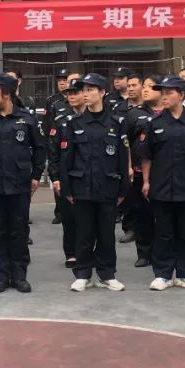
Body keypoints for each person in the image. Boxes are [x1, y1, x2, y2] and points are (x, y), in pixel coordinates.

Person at [0, 73, 46, 294]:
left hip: (19, 183)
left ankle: (19, 275)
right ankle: (1, 276)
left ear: (7, 93)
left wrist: (36, 176)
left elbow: (39, 149)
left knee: (19, 231)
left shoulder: (27, 119)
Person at [137, 76, 185, 291]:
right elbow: (147, 156)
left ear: (181, 95)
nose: (164, 96)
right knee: (163, 231)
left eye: (169, 92)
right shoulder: (154, 124)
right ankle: (162, 274)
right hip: (161, 186)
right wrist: (146, 181)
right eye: (162, 92)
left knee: (184, 232)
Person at [60, 74, 129, 292]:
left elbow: (122, 157)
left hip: (108, 186)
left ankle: (107, 274)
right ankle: (83, 273)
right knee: (84, 233)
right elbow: (67, 158)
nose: (85, 94)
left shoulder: (117, 123)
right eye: (84, 90)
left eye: (90, 90)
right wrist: (67, 188)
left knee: (106, 233)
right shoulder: (74, 123)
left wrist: (123, 189)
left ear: (102, 93)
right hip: (82, 187)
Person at [121, 75, 159, 268]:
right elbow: (126, 142)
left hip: (164, 172)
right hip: (139, 172)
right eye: (144, 86)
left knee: (164, 215)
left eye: (151, 87)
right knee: (142, 213)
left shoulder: (170, 112)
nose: (145, 90)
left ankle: (163, 252)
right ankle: (144, 252)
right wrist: (128, 166)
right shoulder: (134, 114)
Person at [47, 78, 84, 267]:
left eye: (75, 92)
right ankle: (71, 253)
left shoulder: (96, 118)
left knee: (89, 218)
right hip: (67, 176)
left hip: (88, 176)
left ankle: (87, 252)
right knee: (69, 218)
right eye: (69, 93)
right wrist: (55, 177)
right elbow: (53, 151)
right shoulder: (61, 121)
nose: (71, 96)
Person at [45, 69, 79, 225]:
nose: (71, 94)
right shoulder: (57, 107)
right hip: (64, 163)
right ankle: (60, 212)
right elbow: (51, 134)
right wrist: (55, 175)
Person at [115, 73, 144, 245]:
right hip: (127, 158)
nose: (131, 89)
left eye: (134, 85)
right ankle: (130, 228)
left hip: (145, 161)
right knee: (129, 198)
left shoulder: (149, 109)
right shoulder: (120, 108)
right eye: (129, 86)